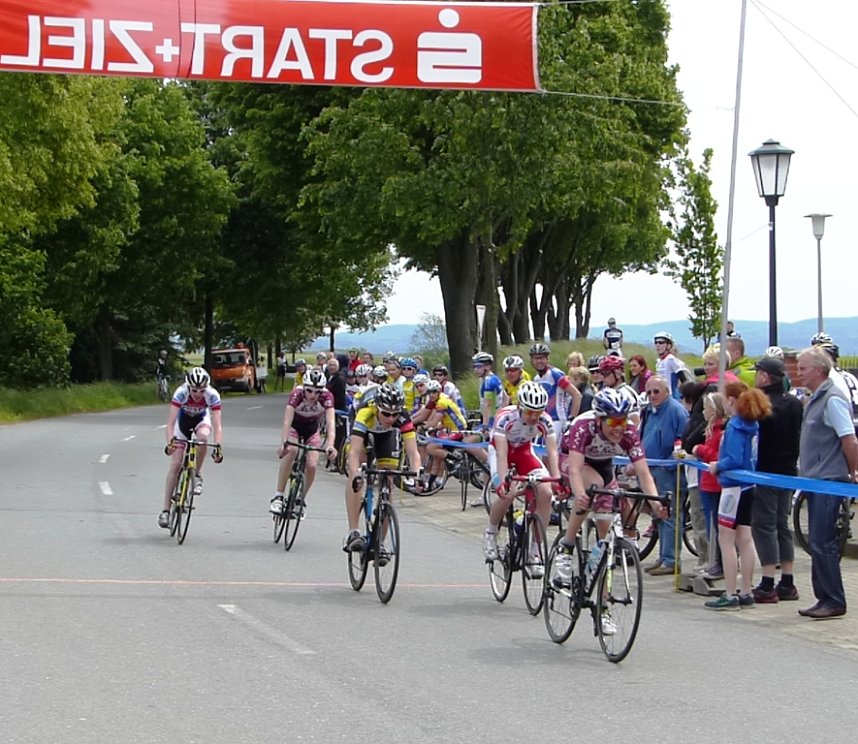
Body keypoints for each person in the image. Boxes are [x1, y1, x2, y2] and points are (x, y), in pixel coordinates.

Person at [555, 388, 660, 598]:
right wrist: (579, 494)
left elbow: (643, 472)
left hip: (603, 466)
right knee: (592, 487)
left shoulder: (629, 431)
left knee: (606, 540)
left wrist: (656, 503)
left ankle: (602, 607)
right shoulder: (584, 426)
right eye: (612, 422)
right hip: (573, 460)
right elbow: (575, 469)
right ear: (600, 419)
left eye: (622, 421)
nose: (618, 428)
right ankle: (565, 546)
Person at [795, 346, 858, 619]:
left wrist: (853, 472)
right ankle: (824, 597)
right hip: (815, 479)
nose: (799, 374)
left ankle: (833, 599)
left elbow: (849, 439)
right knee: (817, 542)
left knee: (823, 542)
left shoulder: (832, 399)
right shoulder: (816, 398)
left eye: (803, 369)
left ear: (819, 370)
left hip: (828, 480)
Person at [703, 381, 771, 610]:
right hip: (749, 486)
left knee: (727, 539)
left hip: (733, 487)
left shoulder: (734, 426)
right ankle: (746, 590)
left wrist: (716, 465)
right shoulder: (752, 424)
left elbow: (732, 459)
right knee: (745, 538)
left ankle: (731, 592)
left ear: (732, 400)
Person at [483, 382, 562, 578]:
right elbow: (501, 455)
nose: (534, 417)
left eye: (538, 412)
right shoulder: (505, 419)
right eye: (529, 412)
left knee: (546, 492)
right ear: (520, 407)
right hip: (502, 451)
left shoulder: (545, 420)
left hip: (524, 452)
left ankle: (535, 551)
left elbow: (552, 452)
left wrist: (557, 478)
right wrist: (502, 482)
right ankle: (491, 533)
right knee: (508, 493)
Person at [344, 383, 422, 551]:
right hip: (363, 430)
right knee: (356, 475)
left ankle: (379, 544)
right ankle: (353, 532)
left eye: (395, 415)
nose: (390, 419)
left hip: (386, 436)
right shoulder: (366, 412)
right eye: (386, 413)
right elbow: (354, 453)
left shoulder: (403, 417)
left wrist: (416, 476)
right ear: (378, 407)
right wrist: (355, 474)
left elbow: (413, 452)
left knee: (388, 480)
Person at [751, 356, 803, 603]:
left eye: (757, 373)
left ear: (764, 377)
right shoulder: (794, 403)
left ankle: (768, 581)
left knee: (764, 524)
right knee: (782, 523)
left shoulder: (762, 403)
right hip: (789, 470)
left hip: (766, 469)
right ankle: (788, 580)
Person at [160, 367, 223, 528]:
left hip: (201, 420)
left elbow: (217, 425)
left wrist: (218, 447)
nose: (197, 394)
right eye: (194, 390)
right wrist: (170, 443)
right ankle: (165, 511)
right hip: (182, 423)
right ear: (188, 387)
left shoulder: (212, 395)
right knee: (175, 464)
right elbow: (170, 423)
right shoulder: (181, 393)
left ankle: (196, 474)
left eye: (201, 390)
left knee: (202, 438)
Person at [639, 375, 689, 575]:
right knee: (658, 515)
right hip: (652, 469)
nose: (652, 396)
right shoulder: (650, 411)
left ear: (667, 391)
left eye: (656, 391)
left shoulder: (676, 411)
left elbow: (682, 440)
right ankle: (663, 556)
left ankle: (671, 560)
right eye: (648, 392)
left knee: (670, 514)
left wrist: (669, 463)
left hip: (669, 471)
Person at [269, 368, 336, 516]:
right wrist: (283, 443)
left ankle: (301, 499)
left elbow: (331, 423)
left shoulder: (327, 397)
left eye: (317, 392)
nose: (313, 395)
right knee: (291, 450)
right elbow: (287, 420)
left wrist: (330, 444)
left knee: (312, 464)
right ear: (304, 387)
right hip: (295, 427)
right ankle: (278, 496)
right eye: (310, 391)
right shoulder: (297, 394)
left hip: (312, 429)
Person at [692, 391, 726, 578]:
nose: (703, 412)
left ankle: (721, 564)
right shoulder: (710, 431)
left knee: (720, 526)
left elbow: (715, 456)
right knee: (713, 524)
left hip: (715, 484)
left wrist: (699, 449)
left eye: (706, 408)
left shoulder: (719, 432)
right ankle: (716, 562)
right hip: (707, 482)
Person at [528, 342, 579, 437]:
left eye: (542, 358)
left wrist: (571, 419)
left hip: (558, 421)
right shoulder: (536, 378)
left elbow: (576, 395)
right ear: (531, 360)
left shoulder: (555, 374)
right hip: (544, 420)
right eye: (536, 358)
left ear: (547, 359)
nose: (539, 361)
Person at [653, 331, 691, 399]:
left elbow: (682, 377)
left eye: (661, 342)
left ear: (669, 345)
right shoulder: (659, 362)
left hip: (671, 397)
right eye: (656, 343)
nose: (657, 345)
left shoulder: (670, 359)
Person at [472, 352, 503, 431]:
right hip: (498, 419)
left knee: (467, 440)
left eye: (479, 366)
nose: (475, 369)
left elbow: (487, 405)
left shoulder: (488, 381)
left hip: (491, 422)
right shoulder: (495, 378)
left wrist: (485, 426)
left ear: (488, 366)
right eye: (474, 366)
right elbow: (506, 399)